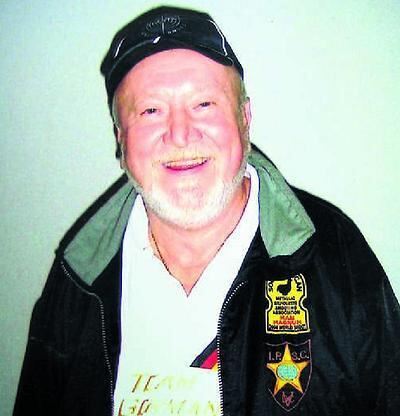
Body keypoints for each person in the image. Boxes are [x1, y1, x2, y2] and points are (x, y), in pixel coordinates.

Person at [13, 5, 400, 416]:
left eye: (203, 104)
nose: (180, 135)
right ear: (121, 138)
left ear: (245, 119)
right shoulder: (78, 277)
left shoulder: (338, 258)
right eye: (150, 111)